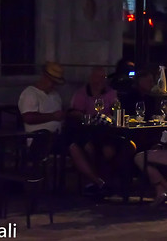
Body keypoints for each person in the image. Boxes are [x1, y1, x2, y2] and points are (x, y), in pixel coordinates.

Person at [18, 62, 113, 196]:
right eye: (52, 81)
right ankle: (98, 182)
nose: (53, 85)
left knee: (89, 142)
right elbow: (28, 117)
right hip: (40, 139)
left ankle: (96, 180)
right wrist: (52, 116)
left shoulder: (54, 95)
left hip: (59, 134)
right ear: (44, 77)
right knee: (72, 145)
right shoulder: (30, 94)